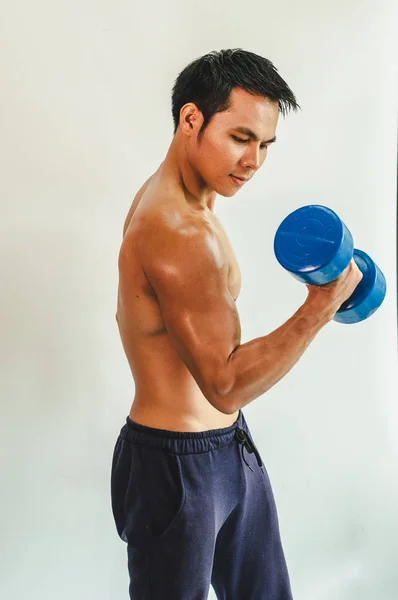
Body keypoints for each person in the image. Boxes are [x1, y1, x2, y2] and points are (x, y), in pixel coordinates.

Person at [110, 48, 362, 599]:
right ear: (191, 119)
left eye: (265, 145)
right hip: (175, 469)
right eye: (241, 138)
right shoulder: (175, 232)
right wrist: (319, 307)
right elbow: (224, 385)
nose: (253, 161)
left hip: (229, 449)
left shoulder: (195, 201)